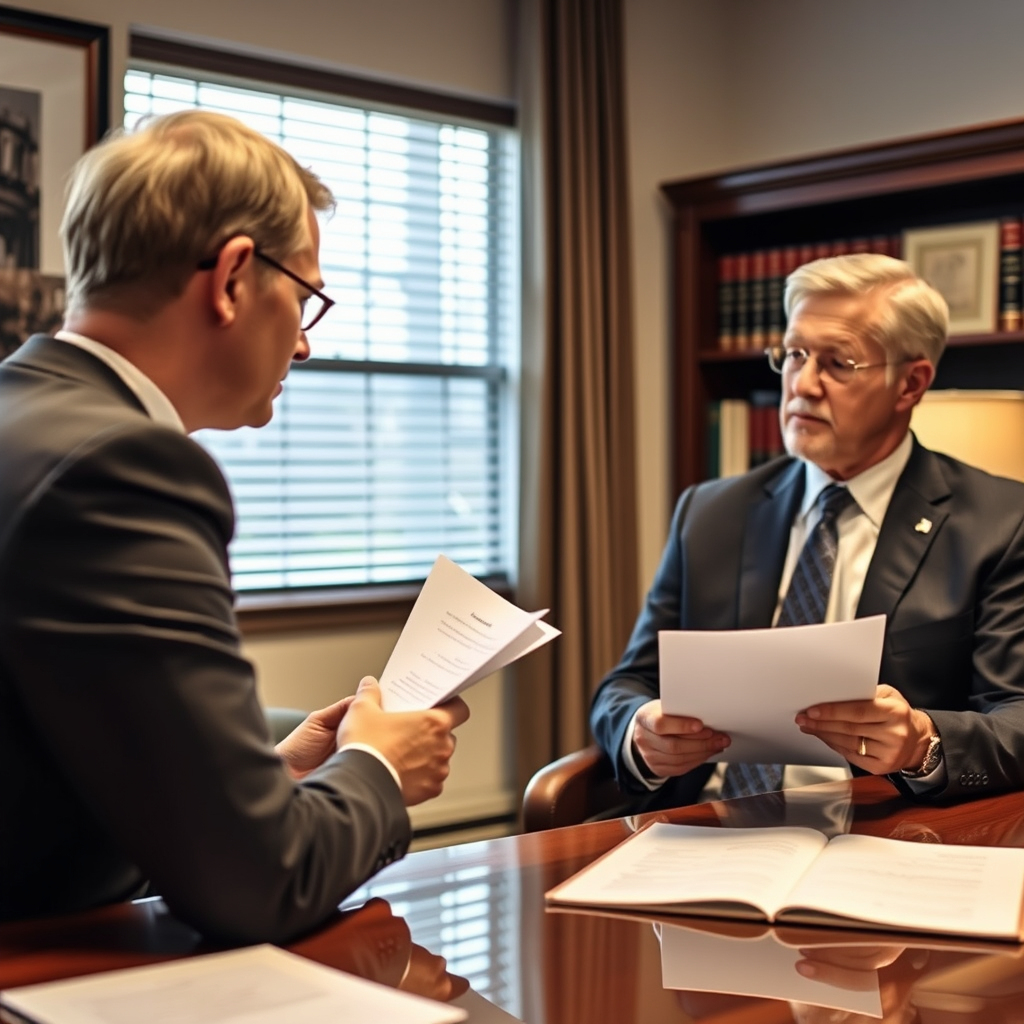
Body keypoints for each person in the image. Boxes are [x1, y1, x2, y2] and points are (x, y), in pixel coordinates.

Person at [0, 110, 469, 941]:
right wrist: (379, 768)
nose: (306, 345)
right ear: (233, 278)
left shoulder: (26, 422)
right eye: (306, 297)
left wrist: (264, 781)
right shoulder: (122, 468)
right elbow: (260, 883)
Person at [591, 252, 1024, 813]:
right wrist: (641, 733)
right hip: (707, 819)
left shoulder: (999, 523)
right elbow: (628, 683)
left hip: (885, 823)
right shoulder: (711, 512)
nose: (803, 384)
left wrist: (924, 743)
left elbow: (1015, 714)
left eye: (838, 363)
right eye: (795, 354)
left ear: (910, 384)